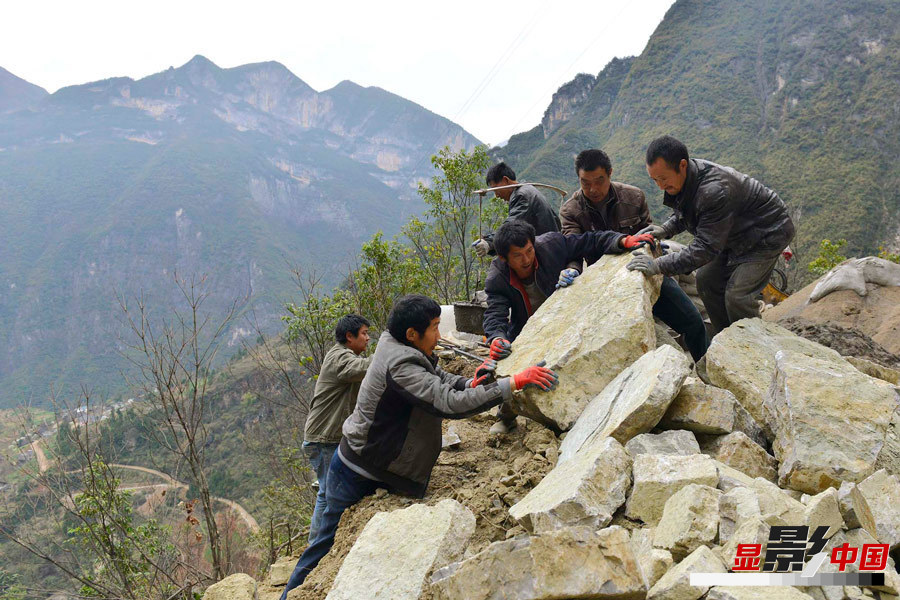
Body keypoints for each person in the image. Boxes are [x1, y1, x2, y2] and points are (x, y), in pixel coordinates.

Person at [280, 295, 557, 598]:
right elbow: (448, 404)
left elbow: (437, 376)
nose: (439, 336)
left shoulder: (400, 346)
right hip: (359, 470)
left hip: (369, 463)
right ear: (412, 333)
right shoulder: (401, 363)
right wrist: (513, 382)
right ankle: (291, 594)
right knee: (322, 548)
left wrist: (468, 383)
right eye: (435, 328)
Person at [482, 220, 653, 433]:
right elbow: (495, 314)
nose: (526, 259)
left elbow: (589, 241)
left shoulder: (550, 244)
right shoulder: (497, 278)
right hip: (528, 329)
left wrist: (621, 240)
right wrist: (497, 338)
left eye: (529, 250)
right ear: (503, 258)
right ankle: (506, 415)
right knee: (513, 363)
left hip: (565, 316)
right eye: (518, 255)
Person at [628, 136, 795, 335]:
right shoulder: (687, 177)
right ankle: (726, 337)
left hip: (766, 234)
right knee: (706, 281)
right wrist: (665, 229)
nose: (660, 186)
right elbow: (688, 211)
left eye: (663, 179)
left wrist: (658, 265)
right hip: (732, 233)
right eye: (654, 180)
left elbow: (705, 249)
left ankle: (755, 348)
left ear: (682, 165)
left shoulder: (714, 190)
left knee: (738, 296)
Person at [560, 149, 709, 361]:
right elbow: (572, 248)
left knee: (693, 321)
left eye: (599, 181)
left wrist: (656, 249)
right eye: (585, 183)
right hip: (605, 287)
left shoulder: (633, 197)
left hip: (645, 272)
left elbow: (649, 235)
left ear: (610, 173)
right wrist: (572, 269)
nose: (592, 189)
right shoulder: (571, 211)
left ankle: (707, 371)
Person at [302, 314, 372, 543]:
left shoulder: (343, 355)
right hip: (324, 438)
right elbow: (362, 368)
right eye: (364, 334)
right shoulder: (340, 358)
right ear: (349, 337)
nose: (368, 339)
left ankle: (322, 543)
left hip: (328, 436)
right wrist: (389, 354)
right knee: (326, 492)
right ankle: (316, 546)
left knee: (328, 491)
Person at [472, 162, 561, 257]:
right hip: (551, 248)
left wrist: (489, 242)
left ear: (505, 180)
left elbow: (511, 228)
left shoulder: (522, 196)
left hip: (546, 253)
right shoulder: (528, 190)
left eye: (496, 190)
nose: (497, 195)